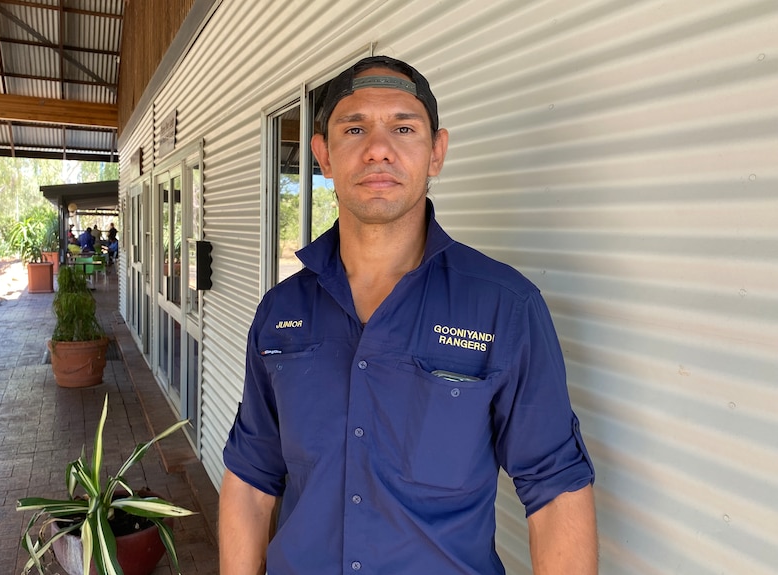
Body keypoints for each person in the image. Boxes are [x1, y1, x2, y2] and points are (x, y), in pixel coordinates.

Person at [220, 55, 597, 575]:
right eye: (355, 128)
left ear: (436, 152)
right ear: (323, 155)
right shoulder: (280, 312)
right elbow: (252, 479)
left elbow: (556, 494)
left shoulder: (504, 308)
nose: (378, 149)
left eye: (403, 127)